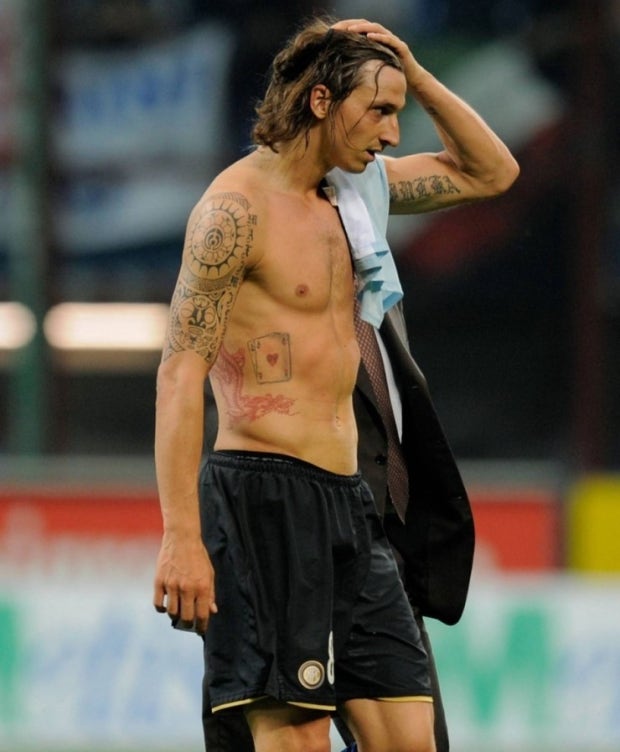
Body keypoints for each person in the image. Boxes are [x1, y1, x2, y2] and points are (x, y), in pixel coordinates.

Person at [153, 16, 518, 752]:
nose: (391, 133)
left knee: (413, 739)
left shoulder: (355, 193)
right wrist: (181, 537)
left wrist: (411, 71)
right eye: (378, 110)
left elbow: (492, 172)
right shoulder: (234, 212)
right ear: (321, 101)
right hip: (263, 498)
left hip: (351, 502)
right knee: (298, 740)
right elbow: (179, 373)